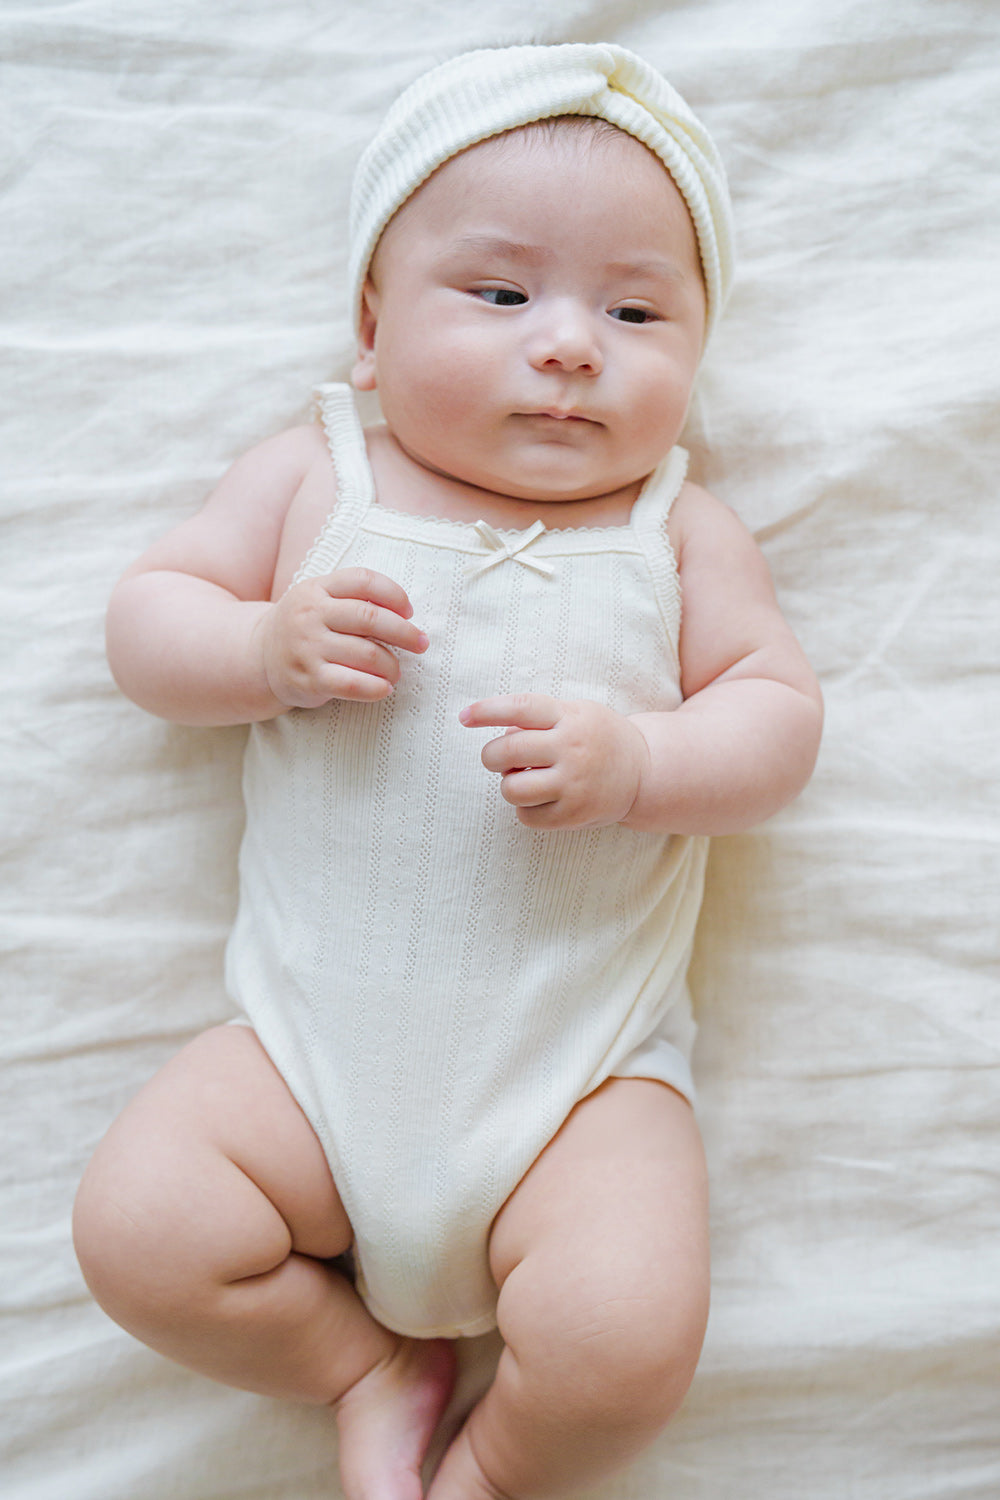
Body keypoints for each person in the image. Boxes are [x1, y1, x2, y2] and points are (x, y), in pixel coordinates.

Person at [72, 42, 823, 1500]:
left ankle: (487, 1473)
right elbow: (145, 625)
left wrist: (648, 763)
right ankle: (360, 1367)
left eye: (637, 309)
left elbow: (778, 720)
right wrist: (262, 648)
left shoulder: (677, 527)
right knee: (140, 1232)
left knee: (625, 1338)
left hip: (577, 1084)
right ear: (370, 321)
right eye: (500, 295)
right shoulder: (320, 474)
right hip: (302, 1062)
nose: (567, 345)